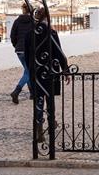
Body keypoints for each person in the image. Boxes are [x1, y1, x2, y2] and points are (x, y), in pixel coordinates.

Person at [25, 7, 70, 144]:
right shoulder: (51, 33)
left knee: (39, 100)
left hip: (37, 72)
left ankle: (39, 128)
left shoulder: (30, 34)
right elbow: (59, 52)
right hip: (50, 71)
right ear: (48, 17)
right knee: (50, 100)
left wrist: (32, 69)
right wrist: (65, 70)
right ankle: (51, 125)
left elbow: (27, 55)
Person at [9, 3, 33, 104]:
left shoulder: (17, 21)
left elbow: (12, 36)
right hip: (29, 50)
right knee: (29, 71)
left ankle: (32, 92)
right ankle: (17, 91)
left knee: (27, 70)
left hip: (19, 50)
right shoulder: (33, 22)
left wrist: (17, 46)